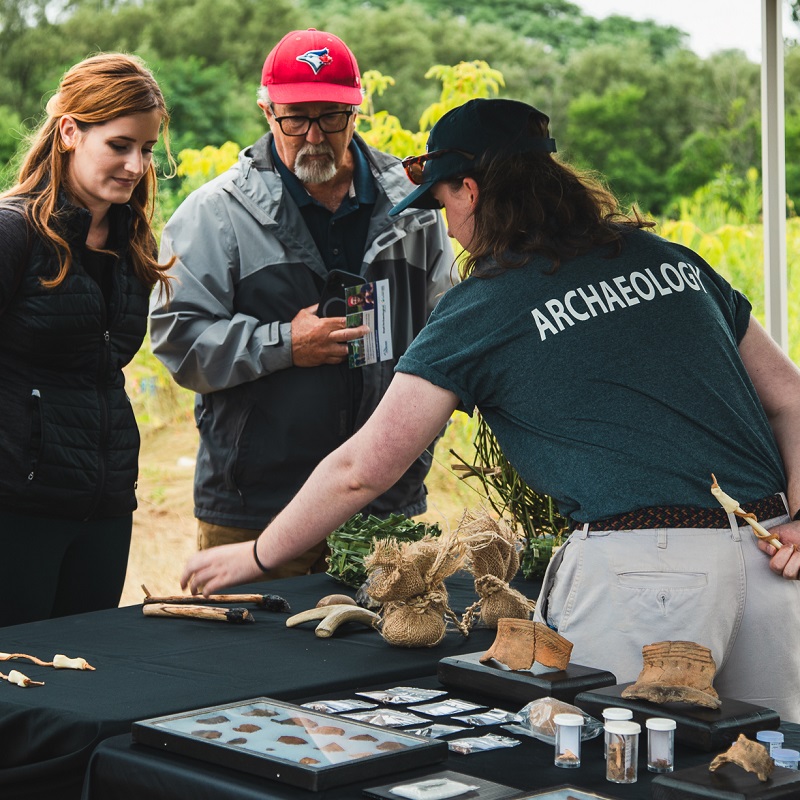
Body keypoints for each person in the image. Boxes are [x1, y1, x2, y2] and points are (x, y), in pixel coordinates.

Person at [181, 97, 800, 720]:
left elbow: (364, 468)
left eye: (445, 203)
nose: (447, 227)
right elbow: (792, 399)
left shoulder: (485, 306)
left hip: (647, 578)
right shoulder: (674, 263)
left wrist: (257, 555)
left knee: (606, 768)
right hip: (774, 558)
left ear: (471, 191)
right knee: (776, 766)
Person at [149, 28, 454, 578]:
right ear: (267, 113)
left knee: (392, 657)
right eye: (296, 118)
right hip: (257, 505)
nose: (314, 136)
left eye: (330, 116)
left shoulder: (416, 209)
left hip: (384, 501)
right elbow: (179, 341)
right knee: (253, 664)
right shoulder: (213, 214)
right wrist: (284, 344)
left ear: (355, 114)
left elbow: (446, 329)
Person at [0, 53, 174, 626]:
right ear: (71, 131)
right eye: (120, 145)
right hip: (17, 510)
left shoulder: (132, 242)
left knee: (83, 677)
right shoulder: (11, 233)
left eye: (146, 150)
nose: (135, 165)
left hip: (104, 509)